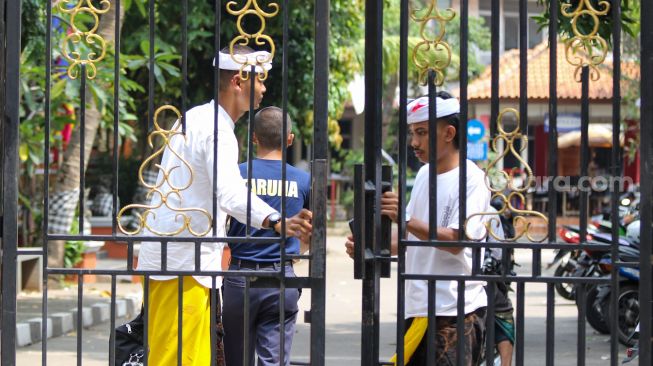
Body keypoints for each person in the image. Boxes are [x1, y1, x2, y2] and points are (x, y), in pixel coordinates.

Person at [136, 45, 312, 366]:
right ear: (238, 81)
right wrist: (275, 220)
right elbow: (229, 193)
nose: (263, 89)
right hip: (181, 263)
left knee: (191, 356)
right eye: (260, 81)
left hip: (184, 261)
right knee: (177, 358)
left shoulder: (200, 119)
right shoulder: (216, 130)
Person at [346, 92, 491, 365]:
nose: (414, 142)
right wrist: (371, 246)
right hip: (418, 307)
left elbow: (458, 241)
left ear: (449, 133)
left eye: (422, 133)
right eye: (413, 133)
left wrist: (406, 217)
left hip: (455, 311)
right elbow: (414, 238)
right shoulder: (425, 174)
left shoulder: (472, 180)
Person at [222, 106, 310, 366]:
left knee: (236, 359)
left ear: (253, 138)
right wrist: (295, 255)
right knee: (274, 361)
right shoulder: (303, 180)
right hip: (282, 277)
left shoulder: (236, 175)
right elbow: (311, 232)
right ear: (290, 139)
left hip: (239, 278)